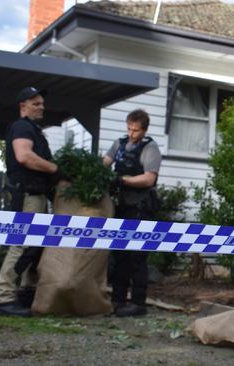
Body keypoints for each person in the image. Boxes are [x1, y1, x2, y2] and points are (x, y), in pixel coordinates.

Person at [0, 86, 61, 317]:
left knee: (33, 244)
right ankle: (3, 299)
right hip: (28, 196)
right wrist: (56, 169)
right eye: (35, 103)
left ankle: (23, 292)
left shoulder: (34, 129)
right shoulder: (22, 126)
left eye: (42, 103)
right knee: (21, 244)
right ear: (23, 106)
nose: (41, 107)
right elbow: (24, 156)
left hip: (37, 195)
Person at [103, 109, 162, 317]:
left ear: (144, 130)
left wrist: (123, 180)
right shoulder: (119, 144)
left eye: (135, 130)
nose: (131, 134)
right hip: (122, 205)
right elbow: (104, 164)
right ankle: (117, 300)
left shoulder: (150, 148)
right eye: (129, 128)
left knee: (137, 256)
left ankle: (138, 303)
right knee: (120, 255)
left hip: (141, 207)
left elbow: (149, 179)